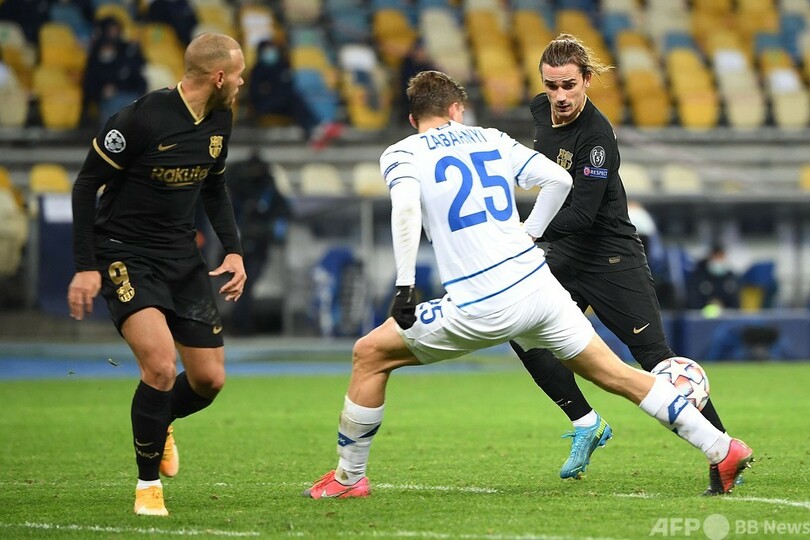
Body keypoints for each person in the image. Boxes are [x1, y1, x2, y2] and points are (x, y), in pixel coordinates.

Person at [303, 70, 752, 500]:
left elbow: (405, 210)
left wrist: (405, 286)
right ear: (457, 110)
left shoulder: (403, 153)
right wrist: (530, 232)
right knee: (619, 375)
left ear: (412, 118)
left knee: (369, 355)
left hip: (482, 301)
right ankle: (721, 447)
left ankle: (349, 477)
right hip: (539, 287)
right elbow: (559, 179)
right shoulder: (491, 137)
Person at [509, 34, 734, 489]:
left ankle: (724, 450)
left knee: (657, 360)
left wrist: (525, 231)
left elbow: (582, 214)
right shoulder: (539, 112)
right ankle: (586, 423)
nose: (560, 96)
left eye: (569, 85)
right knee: (523, 331)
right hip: (565, 255)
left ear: (587, 80)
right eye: (551, 86)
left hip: (611, 258)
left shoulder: (596, 137)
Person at [67, 33, 247, 516]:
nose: (242, 82)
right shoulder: (140, 119)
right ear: (219, 76)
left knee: (209, 380)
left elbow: (215, 186)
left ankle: (160, 419)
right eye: (239, 74)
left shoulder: (221, 118)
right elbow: (86, 185)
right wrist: (85, 267)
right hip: (125, 253)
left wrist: (234, 251)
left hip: (181, 257)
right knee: (162, 367)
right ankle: (148, 486)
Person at [225, 149, 290, 334]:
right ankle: (239, 322)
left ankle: (241, 323)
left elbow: (282, 209)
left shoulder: (267, 186)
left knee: (248, 283)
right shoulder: (237, 184)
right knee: (241, 283)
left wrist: (273, 230)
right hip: (238, 241)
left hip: (259, 241)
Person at [687, 243, 741, 311]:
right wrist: (709, 305)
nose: (719, 261)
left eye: (721, 257)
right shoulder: (699, 276)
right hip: (701, 315)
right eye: (716, 257)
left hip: (726, 315)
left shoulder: (730, 278)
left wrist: (722, 306)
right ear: (710, 258)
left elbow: (735, 303)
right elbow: (692, 301)